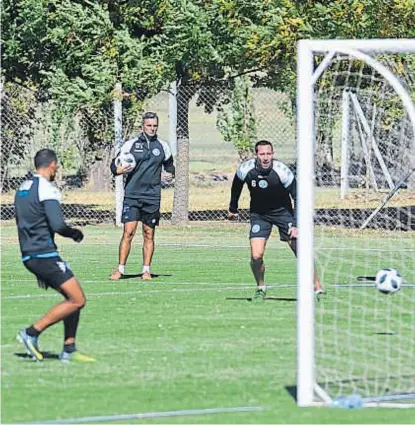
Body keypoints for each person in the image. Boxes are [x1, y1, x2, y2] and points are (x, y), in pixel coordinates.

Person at [14, 148, 95, 362]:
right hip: (44, 254)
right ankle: (30, 333)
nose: (56, 170)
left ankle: (69, 348)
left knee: (72, 297)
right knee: (78, 299)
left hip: (30, 254)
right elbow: (57, 225)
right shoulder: (47, 189)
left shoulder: (22, 189)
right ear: (52, 165)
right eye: (56, 166)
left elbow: (27, 222)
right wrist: (75, 233)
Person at [228, 140, 324, 301]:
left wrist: (296, 225)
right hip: (259, 214)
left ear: (273, 154)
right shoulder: (246, 169)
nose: (266, 157)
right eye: (262, 154)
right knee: (256, 255)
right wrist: (233, 208)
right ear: (256, 155)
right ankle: (261, 287)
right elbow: (236, 187)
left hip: (283, 213)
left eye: (269, 154)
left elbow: (298, 196)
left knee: (301, 251)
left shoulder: (282, 171)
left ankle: (318, 289)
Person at [109, 112, 175, 281]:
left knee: (148, 234)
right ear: (143, 126)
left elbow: (170, 167)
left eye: (154, 126)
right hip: (132, 195)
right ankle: (120, 269)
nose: (152, 128)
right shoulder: (130, 145)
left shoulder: (163, 146)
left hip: (152, 197)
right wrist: (117, 171)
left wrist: (168, 175)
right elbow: (114, 164)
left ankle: (146, 270)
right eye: (149, 125)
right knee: (128, 232)